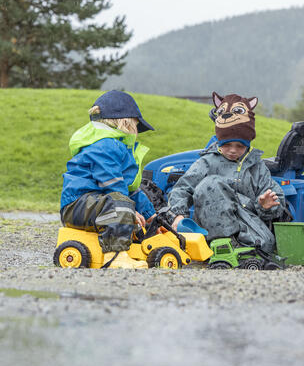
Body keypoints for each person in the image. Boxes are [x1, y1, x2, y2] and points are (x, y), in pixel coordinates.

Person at [167, 92, 285, 257]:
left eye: (240, 146)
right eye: (227, 144)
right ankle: (222, 244)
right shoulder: (207, 162)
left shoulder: (257, 167)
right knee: (211, 184)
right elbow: (182, 188)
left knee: (265, 244)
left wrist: (265, 206)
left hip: (247, 222)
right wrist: (178, 214)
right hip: (213, 227)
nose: (233, 150)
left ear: (248, 145)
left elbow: (276, 195)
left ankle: (243, 249)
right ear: (219, 141)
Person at [60, 90, 156, 269]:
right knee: (120, 204)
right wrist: (128, 211)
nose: (136, 132)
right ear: (125, 123)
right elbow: (112, 184)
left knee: (124, 204)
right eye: (136, 126)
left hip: (98, 204)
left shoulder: (116, 146)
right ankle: (115, 256)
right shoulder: (105, 145)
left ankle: (129, 245)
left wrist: (152, 217)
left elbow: (130, 189)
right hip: (77, 205)